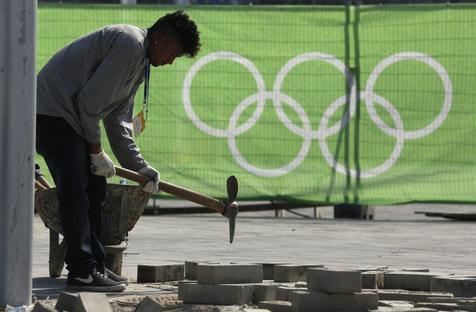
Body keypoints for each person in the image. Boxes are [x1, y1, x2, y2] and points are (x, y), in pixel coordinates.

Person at [36, 10, 201, 292]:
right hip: (51, 114)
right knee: (77, 191)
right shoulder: (129, 44)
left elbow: (118, 121)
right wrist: (96, 152)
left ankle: (95, 266)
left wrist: (142, 169)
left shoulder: (140, 63)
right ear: (159, 39)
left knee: (97, 189)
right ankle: (82, 271)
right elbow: (89, 104)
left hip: (72, 119)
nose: (171, 61)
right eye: (173, 53)